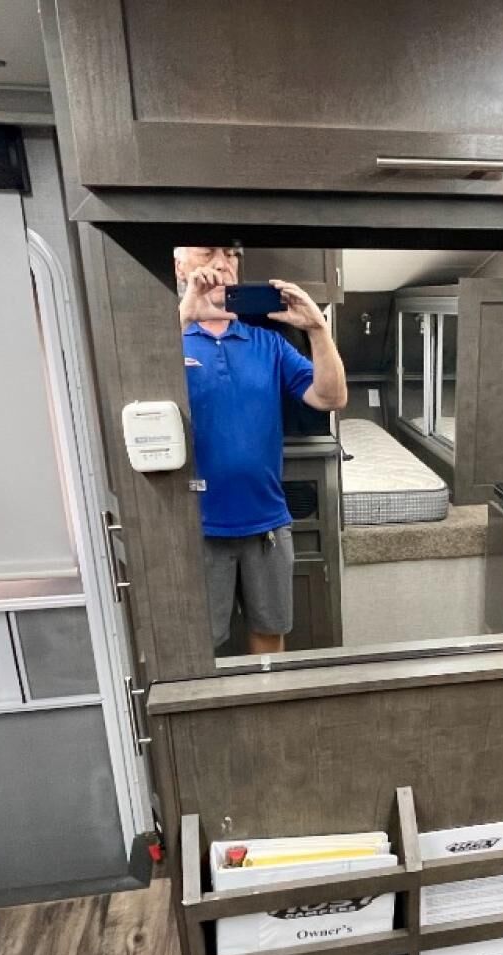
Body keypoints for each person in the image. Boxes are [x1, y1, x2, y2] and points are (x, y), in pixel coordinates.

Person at [174, 246, 348, 653]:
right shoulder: (165, 341)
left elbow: (331, 397)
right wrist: (183, 319)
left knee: (270, 634)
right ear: (179, 266)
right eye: (207, 252)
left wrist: (318, 329)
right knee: (199, 645)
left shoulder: (268, 343)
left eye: (231, 254)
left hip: (266, 522)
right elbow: (136, 392)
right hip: (193, 526)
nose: (222, 263)